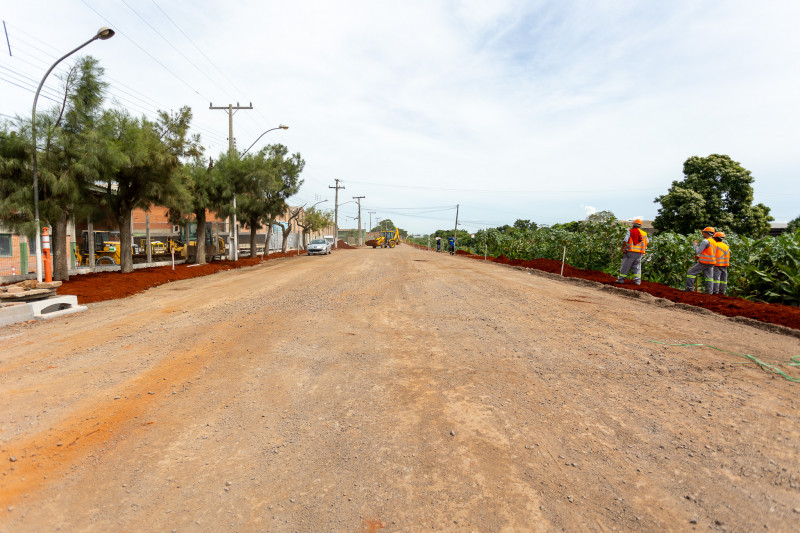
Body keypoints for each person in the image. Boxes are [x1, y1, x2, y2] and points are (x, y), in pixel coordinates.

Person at [685, 226, 717, 293]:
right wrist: (700, 257)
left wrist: (695, 245)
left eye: (704, 233)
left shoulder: (705, 241)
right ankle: (709, 292)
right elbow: (709, 252)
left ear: (707, 233)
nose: (703, 234)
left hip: (704, 262)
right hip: (712, 262)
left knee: (691, 273)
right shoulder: (714, 241)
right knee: (709, 278)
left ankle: (689, 289)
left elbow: (699, 251)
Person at [616, 218, 648, 285]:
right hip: (639, 253)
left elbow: (625, 240)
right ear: (640, 226)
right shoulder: (644, 233)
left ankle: (621, 280)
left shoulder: (630, 231)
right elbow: (647, 242)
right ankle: (637, 281)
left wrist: (623, 248)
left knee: (625, 266)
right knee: (637, 267)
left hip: (631, 252)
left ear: (633, 225)